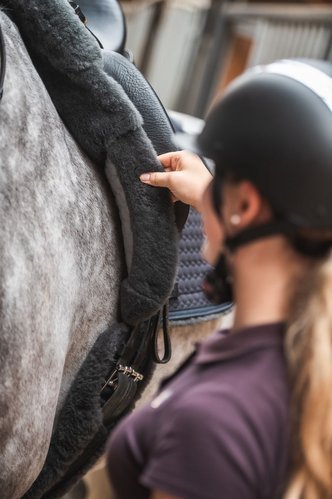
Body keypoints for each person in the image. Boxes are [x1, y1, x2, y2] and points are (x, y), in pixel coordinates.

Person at [106, 59, 332, 499]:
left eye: (220, 172)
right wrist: (217, 196)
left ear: (245, 207)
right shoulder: (302, 372)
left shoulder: (212, 425)